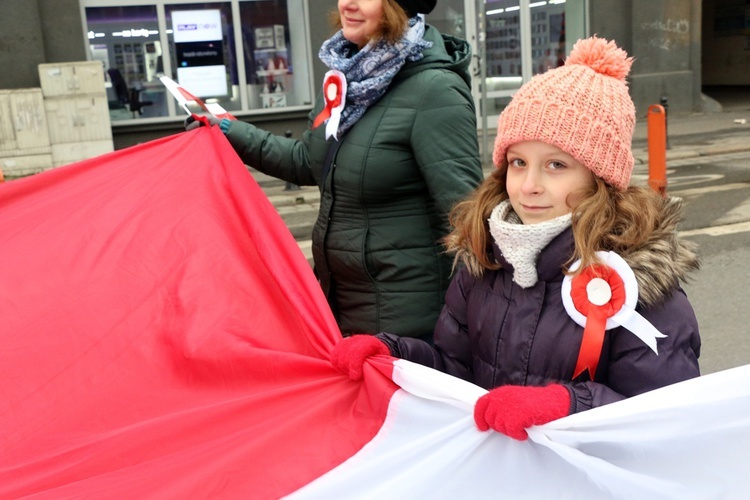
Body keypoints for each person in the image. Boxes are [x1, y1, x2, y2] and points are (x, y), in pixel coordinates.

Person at [331, 36, 702, 440]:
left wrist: (567, 405)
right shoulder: (484, 258)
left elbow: (665, 417)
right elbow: (457, 370)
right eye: (518, 162)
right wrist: (396, 355)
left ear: (600, 178)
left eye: (556, 165)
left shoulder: (636, 284)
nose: (528, 186)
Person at [188, 0, 483, 342]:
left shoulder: (434, 90)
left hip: (407, 329)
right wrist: (230, 132)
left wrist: (464, 331)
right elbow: (308, 162)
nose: (348, 3)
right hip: (340, 308)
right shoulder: (346, 77)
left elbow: (469, 217)